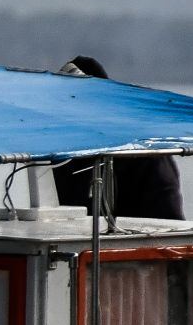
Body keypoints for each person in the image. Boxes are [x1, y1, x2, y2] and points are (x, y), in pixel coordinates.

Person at [53, 56, 185, 220]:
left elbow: (168, 214)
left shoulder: (144, 150)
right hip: (75, 232)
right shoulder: (58, 155)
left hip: (143, 230)